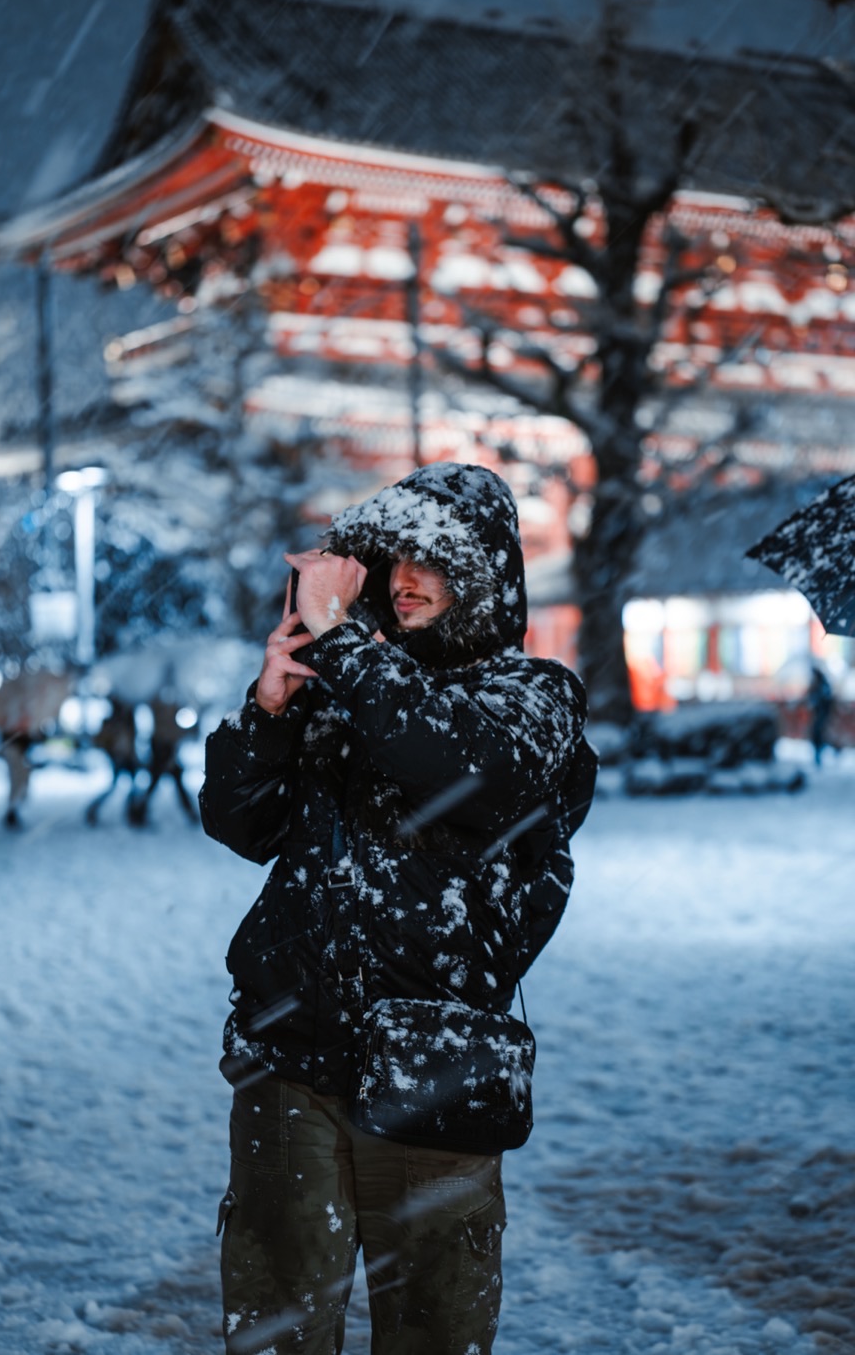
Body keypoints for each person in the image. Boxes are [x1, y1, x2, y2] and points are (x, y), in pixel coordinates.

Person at [199, 462, 594, 1355]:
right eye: (396, 562)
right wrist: (269, 708)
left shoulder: (533, 697)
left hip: (436, 1066)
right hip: (289, 1056)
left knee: (433, 1332)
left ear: (486, 577)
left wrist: (343, 648)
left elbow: (460, 768)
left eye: (436, 564)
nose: (407, 582)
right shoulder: (352, 689)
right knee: (275, 1330)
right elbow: (238, 821)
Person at [129, 695, 199, 826]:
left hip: (167, 748)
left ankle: (139, 813)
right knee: (160, 784)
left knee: (168, 784)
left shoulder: (171, 705)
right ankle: (139, 813)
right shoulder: (159, 705)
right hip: (161, 748)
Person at [85, 697, 141, 825]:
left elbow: (130, 740)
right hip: (119, 757)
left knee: (126, 786)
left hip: (126, 756)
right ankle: (131, 814)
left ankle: (132, 814)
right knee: (118, 786)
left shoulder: (127, 720)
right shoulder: (117, 721)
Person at [807, 663, 835, 766]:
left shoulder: (822, 685)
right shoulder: (820, 684)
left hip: (821, 714)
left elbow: (824, 699)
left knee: (820, 734)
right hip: (820, 714)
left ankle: (829, 749)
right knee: (819, 734)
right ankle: (820, 752)